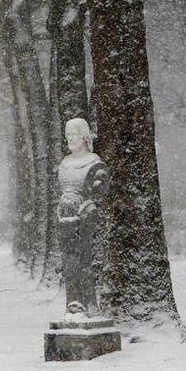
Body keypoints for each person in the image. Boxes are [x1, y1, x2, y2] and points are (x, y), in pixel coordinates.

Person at [57, 118, 110, 316]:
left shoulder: (94, 163)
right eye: (68, 135)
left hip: (86, 219)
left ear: (85, 137)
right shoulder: (65, 163)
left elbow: (100, 193)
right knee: (68, 263)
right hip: (65, 220)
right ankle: (72, 302)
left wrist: (86, 208)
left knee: (85, 262)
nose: (71, 139)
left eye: (75, 135)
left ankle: (90, 303)